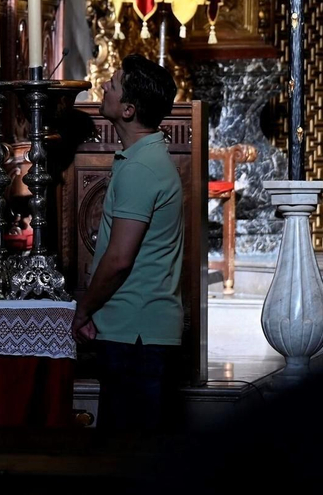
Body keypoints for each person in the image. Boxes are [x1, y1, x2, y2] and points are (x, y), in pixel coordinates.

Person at [73, 54, 183, 433]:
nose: (105, 86)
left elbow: (119, 259)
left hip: (137, 334)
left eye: (114, 84)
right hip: (135, 329)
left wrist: (84, 309)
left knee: (127, 458)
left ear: (129, 109)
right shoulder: (145, 158)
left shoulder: (140, 168)